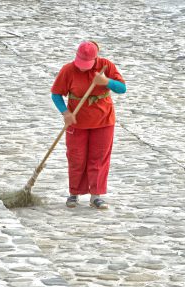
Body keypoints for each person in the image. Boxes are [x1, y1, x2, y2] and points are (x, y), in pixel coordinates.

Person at [51, 41, 126, 209]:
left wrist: (106, 82)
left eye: (87, 65)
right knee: (76, 157)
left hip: (103, 120)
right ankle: (74, 194)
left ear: (95, 58)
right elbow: (56, 94)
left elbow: (122, 89)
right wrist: (65, 113)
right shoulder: (68, 70)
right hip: (77, 121)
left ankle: (96, 196)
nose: (82, 68)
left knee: (98, 158)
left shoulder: (106, 66)